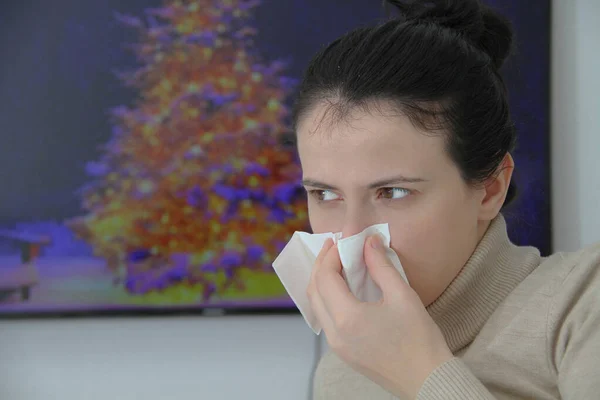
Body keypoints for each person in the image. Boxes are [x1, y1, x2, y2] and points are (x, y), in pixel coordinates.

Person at [290, 0, 600, 399]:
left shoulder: (582, 306)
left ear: (490, 188)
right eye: (325, 194)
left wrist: (417, 371)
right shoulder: (344, 368)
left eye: (394, 192)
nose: (351, 236)